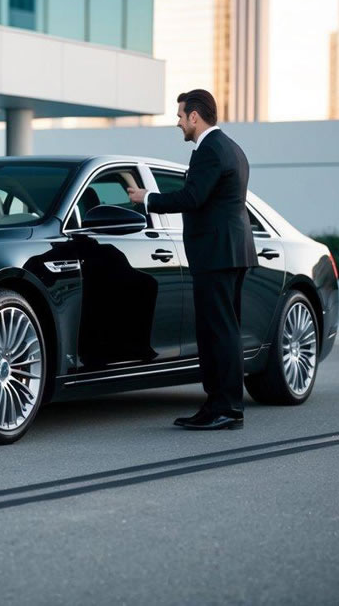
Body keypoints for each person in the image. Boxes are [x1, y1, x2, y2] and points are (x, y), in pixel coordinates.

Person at [127, 89, 258, 430]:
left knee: (218, 332)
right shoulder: (232, 147)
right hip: (229, 250)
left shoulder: (210, 150)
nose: (178, 122)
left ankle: (226, 409)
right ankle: (217, 405)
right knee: (221, 331)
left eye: (181, 116)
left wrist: (147, 198)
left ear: (195, 117)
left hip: (217, 253)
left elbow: (192, 197)